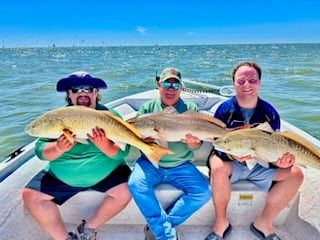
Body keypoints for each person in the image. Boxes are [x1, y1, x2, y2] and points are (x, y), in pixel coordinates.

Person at [22, 71, 132, 240]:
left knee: (127, 189)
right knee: (30, 196)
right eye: (75, 89)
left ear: (96, 93)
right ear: (69, 95)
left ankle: (87, 229)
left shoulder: (109, 116)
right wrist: (58, 148)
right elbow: (40, 150)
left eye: (88, 88)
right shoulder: (58, 117)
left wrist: (105, 145)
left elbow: (122, 152)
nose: (82, 92)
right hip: (61, 177)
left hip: (107, 174)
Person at [204, 62, 304, 240]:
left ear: (260, 83)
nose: (247, 85)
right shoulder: (223, 110)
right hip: (232, 164)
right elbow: (217, 144)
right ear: (233, 83)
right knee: (217, 167)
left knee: (296, 174)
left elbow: (274, 149)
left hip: (259, 164)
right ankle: (221, 223)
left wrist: (279, 162)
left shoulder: (270, 113)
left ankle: (263, 222)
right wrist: (231, 155)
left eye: (252, 80)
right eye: (241, 81)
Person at [128, 67, 211, 240]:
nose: (171, 88)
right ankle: (166, 235)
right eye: (167, 83)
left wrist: (194, 144)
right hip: (150, 164)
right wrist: (147, 139)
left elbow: (197, 146)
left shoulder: (190, 108)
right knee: (136, 185)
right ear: (159, 85)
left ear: (181, 87)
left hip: (181, 165)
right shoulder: (147, 108)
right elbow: (136, 138)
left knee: (203, 192)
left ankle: (160, 226)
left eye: (175, 84)